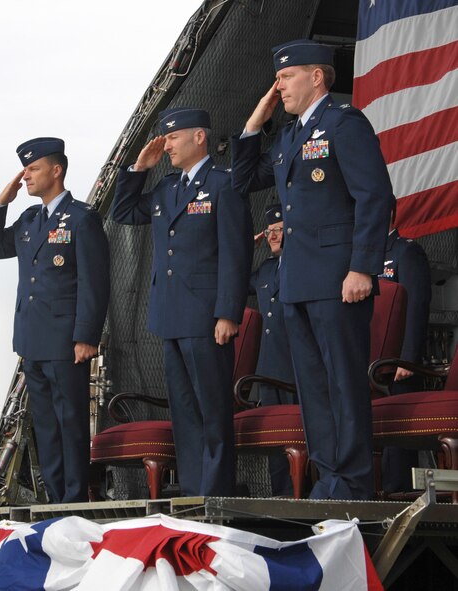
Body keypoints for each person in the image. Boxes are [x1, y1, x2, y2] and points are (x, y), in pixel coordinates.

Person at [231, 39, 394, 500]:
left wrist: (362, 267)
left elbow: (374, 196)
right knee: (314, 392)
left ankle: (353, 484)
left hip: (339, 280)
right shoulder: (287, 136)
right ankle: (330, 479)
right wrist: (254, 123)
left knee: (342, 383)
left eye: (286, 77)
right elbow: (242, 181)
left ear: (317, 76)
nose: (277, 86)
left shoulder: (343, 124)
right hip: (297, 282)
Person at [111, 108, 252, 497]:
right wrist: (140, 168)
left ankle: (216, 490)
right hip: (170, 314)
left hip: (207, 314)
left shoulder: (224, 184)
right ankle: (193, 490)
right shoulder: (166, 189)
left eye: (173, 137)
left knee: (212, 409)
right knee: (185, 412)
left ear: (199, 137)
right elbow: (123, 211)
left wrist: (228, 312)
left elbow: (235, 254)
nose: (167, 145)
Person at [0, 138, 110, 503]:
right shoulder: (28, 220)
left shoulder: (82, 218)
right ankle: (54, 499)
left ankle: (74, 500)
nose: (26, 176)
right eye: (24, 170)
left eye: (33, 169)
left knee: (70, 423)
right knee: (46, 427)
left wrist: (87, 336)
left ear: (57, 170)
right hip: (31, 339)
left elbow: (94, 282)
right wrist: (0, 203)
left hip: (67, 340)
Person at [379, 206, 432, 493]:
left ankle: (397, 496)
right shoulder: (361, 257)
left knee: (398, 436)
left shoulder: (405, 251)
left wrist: (408, 359)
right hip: (369, 364)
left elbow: (416, 306)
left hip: (398, 364)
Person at [250, 203, 297, 496]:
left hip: (294, 364)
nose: (273, 236)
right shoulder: (265, 268)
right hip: (267, 367)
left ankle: (300, 494)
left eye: (279, 230)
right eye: (269, 231)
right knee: (273, 438)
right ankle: (280, 495)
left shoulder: (303, 263)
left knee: (296, 435)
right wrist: (246, 247)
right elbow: (234, 281)